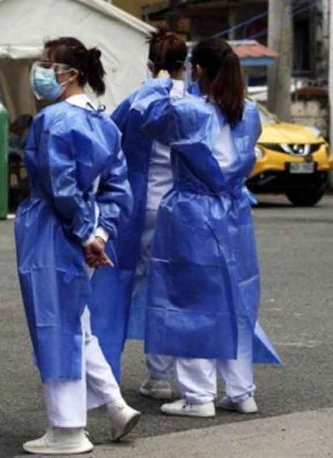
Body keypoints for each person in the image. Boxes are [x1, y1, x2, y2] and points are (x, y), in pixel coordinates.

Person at [130, 38, 281, 418]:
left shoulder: (188, 111)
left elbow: (143, 114)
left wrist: (165, 80)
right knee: (238, 300)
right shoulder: (248, 112)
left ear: (197, 70)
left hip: (192, 212)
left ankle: (198, 396)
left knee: (189, 300)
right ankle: (241, 390)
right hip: (233, 211)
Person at [15, 37, 139, 455]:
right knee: (77, 322)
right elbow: (119, 189)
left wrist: (86, 232)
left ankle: (67, 429)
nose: (41, 70)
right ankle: (116, 405)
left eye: (47, 64)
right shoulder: (105, 123)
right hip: (88, 234)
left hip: (53, 232)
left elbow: (59, 185)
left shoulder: (52, 121)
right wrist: (100, 233)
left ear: (70, 73)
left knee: (56, 326)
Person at [111, 28, 188, 401]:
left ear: (150, 65)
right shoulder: (195, 104)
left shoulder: (138, 101)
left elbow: (109, 138)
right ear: (185, 66)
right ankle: (163, 375)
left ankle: (104, 371)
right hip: (184, 209)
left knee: (118, 285)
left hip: (138, 206)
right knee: (172, 290)